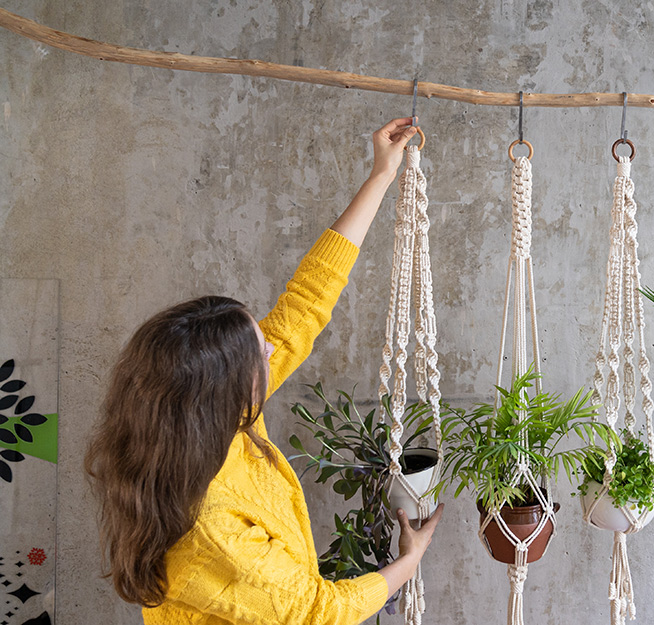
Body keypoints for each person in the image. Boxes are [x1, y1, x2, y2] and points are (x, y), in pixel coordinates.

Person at [84, 117, 443, 624]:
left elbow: (305, 303)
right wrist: (409, 563)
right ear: (225, 387)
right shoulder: (206, 525)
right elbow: (318, 610)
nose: (272, 354)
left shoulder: (205, 425)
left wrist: (382, 174)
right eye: (260, 354)